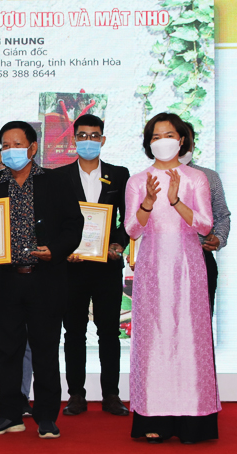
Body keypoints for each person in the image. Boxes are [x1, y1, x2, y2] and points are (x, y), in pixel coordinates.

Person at [0, 121, 83, 439]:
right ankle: (9, 415)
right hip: (5, 281)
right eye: (5, 144)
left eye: (18, 144)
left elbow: (74, 225)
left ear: (32, 148)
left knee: (45, 351)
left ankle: (46, 417)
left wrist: (54, 250)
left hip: (45, 279)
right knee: (6, 352)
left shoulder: (56, 181)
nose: (11, 150)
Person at [124, 112, 219, 444]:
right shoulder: (138, 181)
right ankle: (155, 417)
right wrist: (149, 203)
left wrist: (176, 200)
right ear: (149, 143)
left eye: (168, 134)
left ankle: (194, 420)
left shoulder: (196, 179)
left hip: (188, 265)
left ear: (181, 139)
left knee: (190, 340)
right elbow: (132, 230)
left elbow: (205, 226)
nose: (161, 140)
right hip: (151, 267)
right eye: (154, 136)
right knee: (154, 341)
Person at [56, 114, 130, 416]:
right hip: (71, 267)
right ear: (74, 139)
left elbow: (129, 219)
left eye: (94, 135)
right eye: (82, 135)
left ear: (102, 138)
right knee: (73, 333)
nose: (88, 140)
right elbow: (53, 222)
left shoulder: (119, 174)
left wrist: (119, 243)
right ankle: (76, 395)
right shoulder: (58, 177)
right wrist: (63, 250)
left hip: (107, 267)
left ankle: (111, 394)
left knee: (109, 332)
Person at [0, 149, 34, 417]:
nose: (6, 166)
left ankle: (23, 396)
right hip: (3, 281)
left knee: (30, 345)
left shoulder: (38, 189)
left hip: (35, 277)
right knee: (7, 346)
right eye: (0, 163)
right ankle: (8, 404)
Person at [179, 122, 230, 317]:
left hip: (201, 258)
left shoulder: (209, 177)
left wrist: (219, 238)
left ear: (193, 143)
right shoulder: (150, 178)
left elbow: (222, 216)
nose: (182, 144)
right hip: (162, 261)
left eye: (187, 140)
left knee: (201, 323)